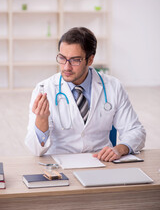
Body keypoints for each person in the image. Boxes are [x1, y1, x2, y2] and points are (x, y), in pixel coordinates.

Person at [25, 27, 146, 161]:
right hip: (60, 163)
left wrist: (120, 148)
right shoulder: (45, 89)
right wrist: (42, 119)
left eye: (75, 60)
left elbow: (136, 131)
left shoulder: (113, 86)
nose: (66, 67)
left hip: (102, 162)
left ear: (90, 60)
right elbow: (35, 150)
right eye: (62, 58)